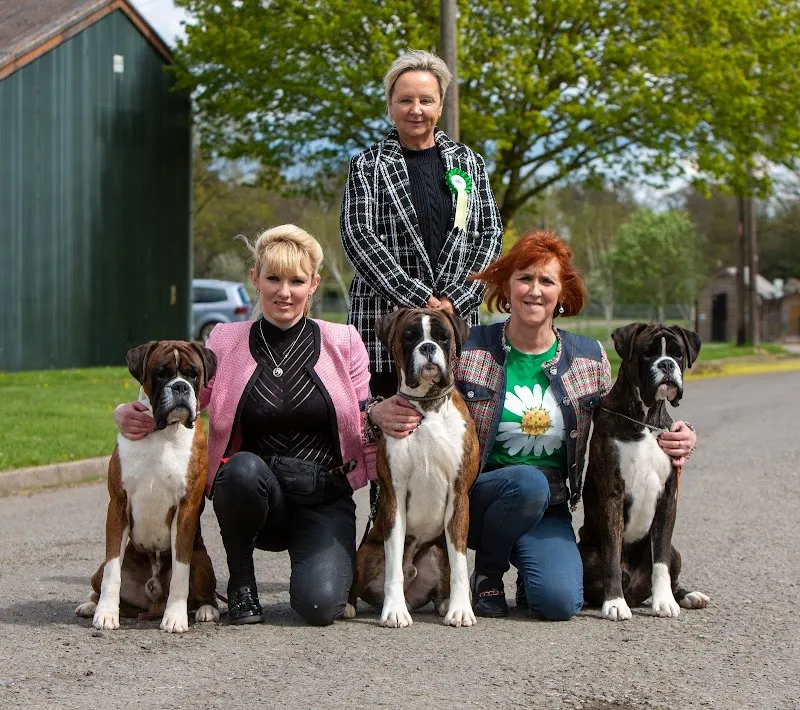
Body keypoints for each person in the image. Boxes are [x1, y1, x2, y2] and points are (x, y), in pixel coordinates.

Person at [367, 231, 698, 620]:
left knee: (558, 602)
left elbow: (628, 414)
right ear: (507, 288)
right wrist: (375, 411)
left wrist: (677, 432)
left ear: (562, 293)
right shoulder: (471, 349)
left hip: (549, 507)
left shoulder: (589, 359)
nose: (534, 290)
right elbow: (420, 391)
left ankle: (529, 567)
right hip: (479, 500)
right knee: (526, 482)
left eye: (547, 281)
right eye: (524, 278)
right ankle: (487, 573)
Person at [114, 225, 378, 627]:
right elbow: (188, 402)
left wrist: (382, 419)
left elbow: (362, 415)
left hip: (324, 497)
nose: (284, 292)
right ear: (255, 279)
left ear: (314, 285)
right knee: (238, 469)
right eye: (273, 278)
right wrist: (132, 411)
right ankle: (241, 582)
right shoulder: (225, 339)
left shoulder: (344, 341)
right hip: (256, 495)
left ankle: (317, 564)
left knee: (321, 606)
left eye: (296, 281)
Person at [341, 49, 504, 399]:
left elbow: (490, 236)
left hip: (453, 328)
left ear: (441, 105)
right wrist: (419, 300)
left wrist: (456, 299)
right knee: (385, 436)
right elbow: (359, 237)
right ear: (390, 105)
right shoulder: (366, 166)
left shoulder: (469, 162)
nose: (416, 109)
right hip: (385, 333)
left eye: (426, 100)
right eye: (406, 100)